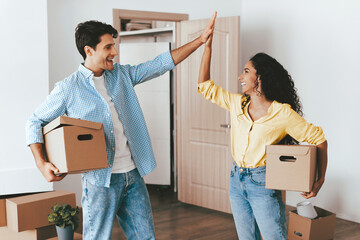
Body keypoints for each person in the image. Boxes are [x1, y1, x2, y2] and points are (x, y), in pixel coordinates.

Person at [26, 12, 217, 240]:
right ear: (89, 50)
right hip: (99, 181)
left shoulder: (122, 75)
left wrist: (200, 40)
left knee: (145, 237)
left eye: (113, 46)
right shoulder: (68, 88)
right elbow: (35, 121)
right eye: (108, 47)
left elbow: (160, 64)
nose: (114, 52)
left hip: (133, 174)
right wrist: (41, 163)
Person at [197, 34, 327, 239]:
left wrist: (319, 181)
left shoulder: (281, 113)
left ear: (260, 77)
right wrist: (207, 48)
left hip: (263, 184)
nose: (240, 77)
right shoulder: (236, 103)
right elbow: (205, 87)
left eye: (246, 71)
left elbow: (319, 139)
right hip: (236, 179)